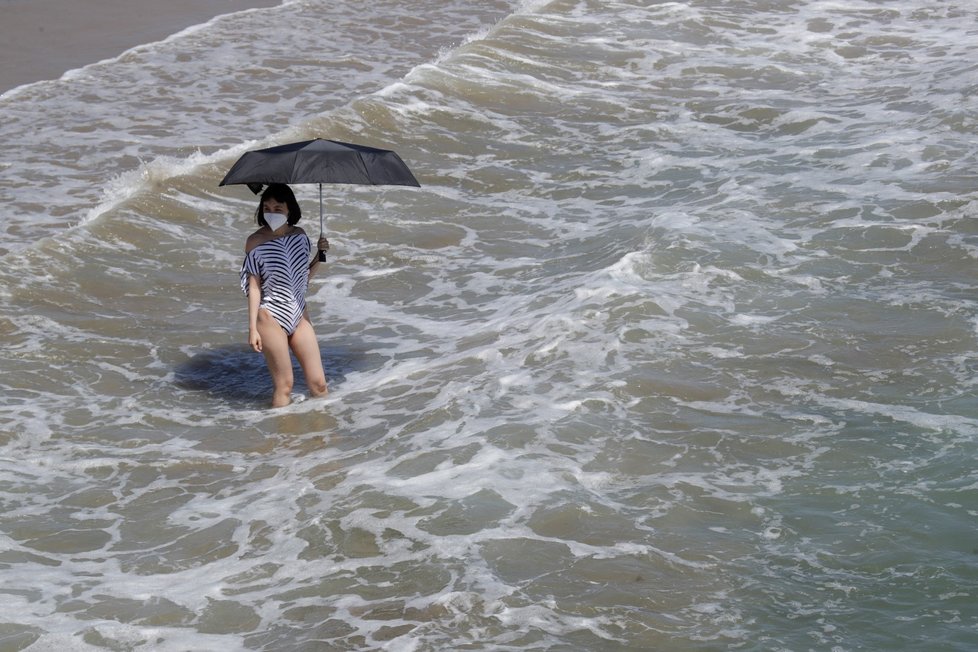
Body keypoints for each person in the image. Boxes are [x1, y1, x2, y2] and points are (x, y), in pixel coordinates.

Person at [240, 183, 330, 407]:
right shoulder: (255, 242)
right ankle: (281, 439)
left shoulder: (300, 236)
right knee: (285, 385)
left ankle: (324, 435)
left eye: (278, 209)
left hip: (298, 313)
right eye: (267, 208)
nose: (271, 213)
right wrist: (252, 328)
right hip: (270, 315)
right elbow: (254, 287)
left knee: (319, 384)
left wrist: (320, 255)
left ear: (290, 210)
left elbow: (302, 277)